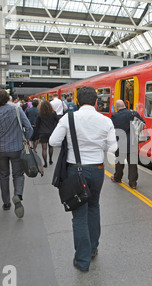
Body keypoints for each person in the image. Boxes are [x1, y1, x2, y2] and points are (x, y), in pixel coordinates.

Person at [49, 86, 117, 272]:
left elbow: (53, 142)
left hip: (75, 171)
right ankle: (93, 248)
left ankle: (82, 260)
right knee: (94, 207)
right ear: (96, 101)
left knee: (79, 215)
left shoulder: (68, 118)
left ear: (77, 101)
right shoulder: (106, 120)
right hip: (97, 170)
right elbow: (112, 148)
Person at [0, 88, 33, 219]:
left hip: (1, 150)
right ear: (7, 98)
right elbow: (28, 127)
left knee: (3, 175)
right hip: (17, 148)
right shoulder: (17, 110)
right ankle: (17, 195)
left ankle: (6, 203)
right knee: (18, 174)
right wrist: (26, 140)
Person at [110, 99, 145, 189]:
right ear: (125, 105)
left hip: (120, 143)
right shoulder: (133, 113)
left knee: (119, 163)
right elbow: (142, 123)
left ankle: (117, 178)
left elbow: (112, 129)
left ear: (117, 107)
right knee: (133, 164)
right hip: (132, 143)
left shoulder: (114, 116)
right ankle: (133, 183)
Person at [35, 100, 58, 167]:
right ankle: (50, 160)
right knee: (51, 147)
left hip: (42, 132)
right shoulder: (53, 113)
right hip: (51, 132)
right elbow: (57, 120)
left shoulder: (40, 114)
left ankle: (45, 163)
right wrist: (54, 127)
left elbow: (37, 124)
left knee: (44, 148)